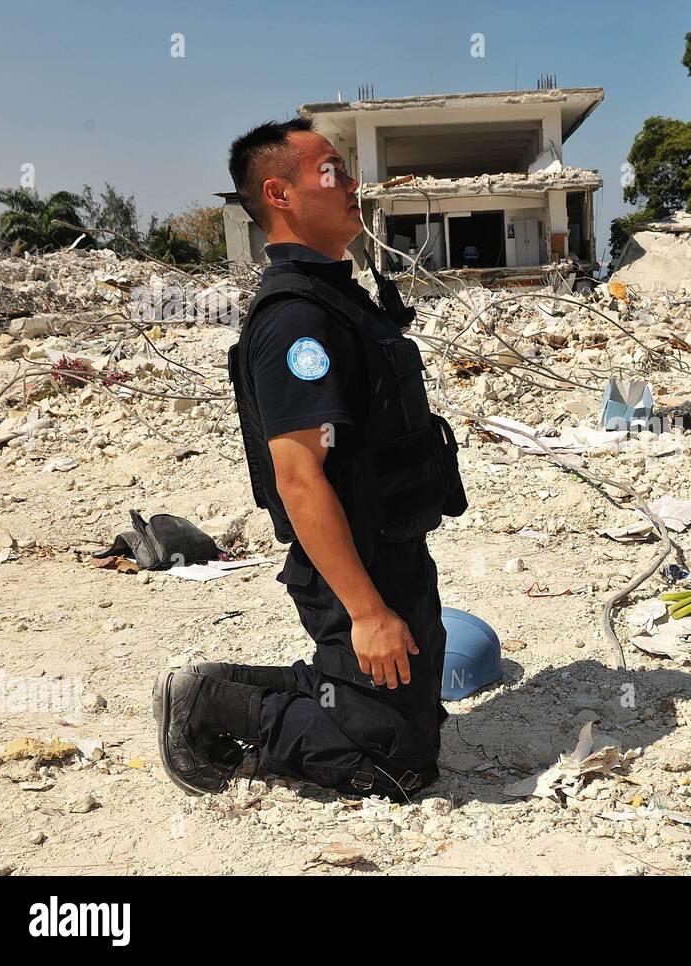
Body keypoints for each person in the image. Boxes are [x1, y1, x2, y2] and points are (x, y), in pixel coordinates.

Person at [152, 117, 466, 801]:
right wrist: (366, 612)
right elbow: (298, 476)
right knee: (395, 762)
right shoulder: (297, 319)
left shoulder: (337, 295)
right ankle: (211, 706)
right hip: (350, 562)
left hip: (392, 545)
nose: (353, 185)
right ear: (280, 193)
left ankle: (237, 684)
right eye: (333, 171)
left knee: (412, 717)